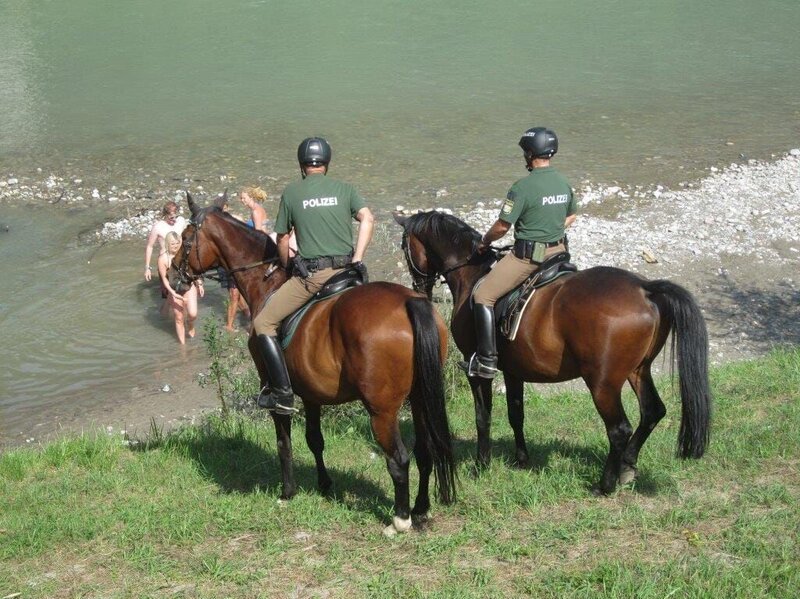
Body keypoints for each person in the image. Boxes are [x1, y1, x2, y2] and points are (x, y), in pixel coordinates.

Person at [251, 137, 374, 414]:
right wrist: (358, 258)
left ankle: (282, 394)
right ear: (326, 163)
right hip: (348, 273)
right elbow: (368, 218)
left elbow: (282, 239)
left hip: (314, 277)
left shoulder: (293, 193)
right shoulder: (346, 189)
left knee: (263, 323)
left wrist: (286, 265)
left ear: (302, 164)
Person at [461, 127, 578, 379]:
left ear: (529, 153)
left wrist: (483, 241)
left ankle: (487, 361)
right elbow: (572, 215)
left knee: (483, 295)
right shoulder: (563, 182)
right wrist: (553, 228)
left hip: (528, 257)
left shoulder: (522, 187)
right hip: (559, 252)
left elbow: (503, 227)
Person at [158, 231, 204, 344]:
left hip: (188, 285)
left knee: (193, 314)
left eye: (178, 243)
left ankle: (191, 324)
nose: (176, 246)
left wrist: (199, 283)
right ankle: (182, 347)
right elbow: (164, 279)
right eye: (173, 244)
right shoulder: (163, 259)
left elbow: (193, 270)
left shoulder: (186, 255)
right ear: (168, 244)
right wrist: (172, 294)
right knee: (179, 318)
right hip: (174, 288)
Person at [143, 201, 187, 282]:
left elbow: (187, 239)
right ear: (165, 215)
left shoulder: (181, 221)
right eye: (171, 218)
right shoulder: (158, 227)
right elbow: (150, 246)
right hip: (165, 262)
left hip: (181, 259)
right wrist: (147, 268)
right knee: (167, 290)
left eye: (175, 217)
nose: (174, 220)